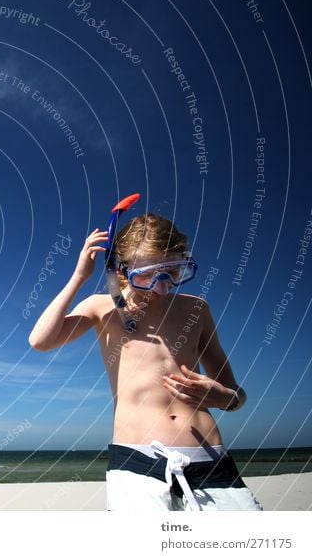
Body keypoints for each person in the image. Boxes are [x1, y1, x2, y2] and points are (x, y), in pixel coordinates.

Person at [28, 211, 262, 511]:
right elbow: (41, 341)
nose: (162, 286)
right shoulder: (103, 308)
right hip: (137, 461)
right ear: (121, 270)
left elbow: (235, 394)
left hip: (210, 460)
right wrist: (79, 277)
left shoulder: (196, 309)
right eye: (148, 275)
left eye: (174, 272)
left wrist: (223, 397)